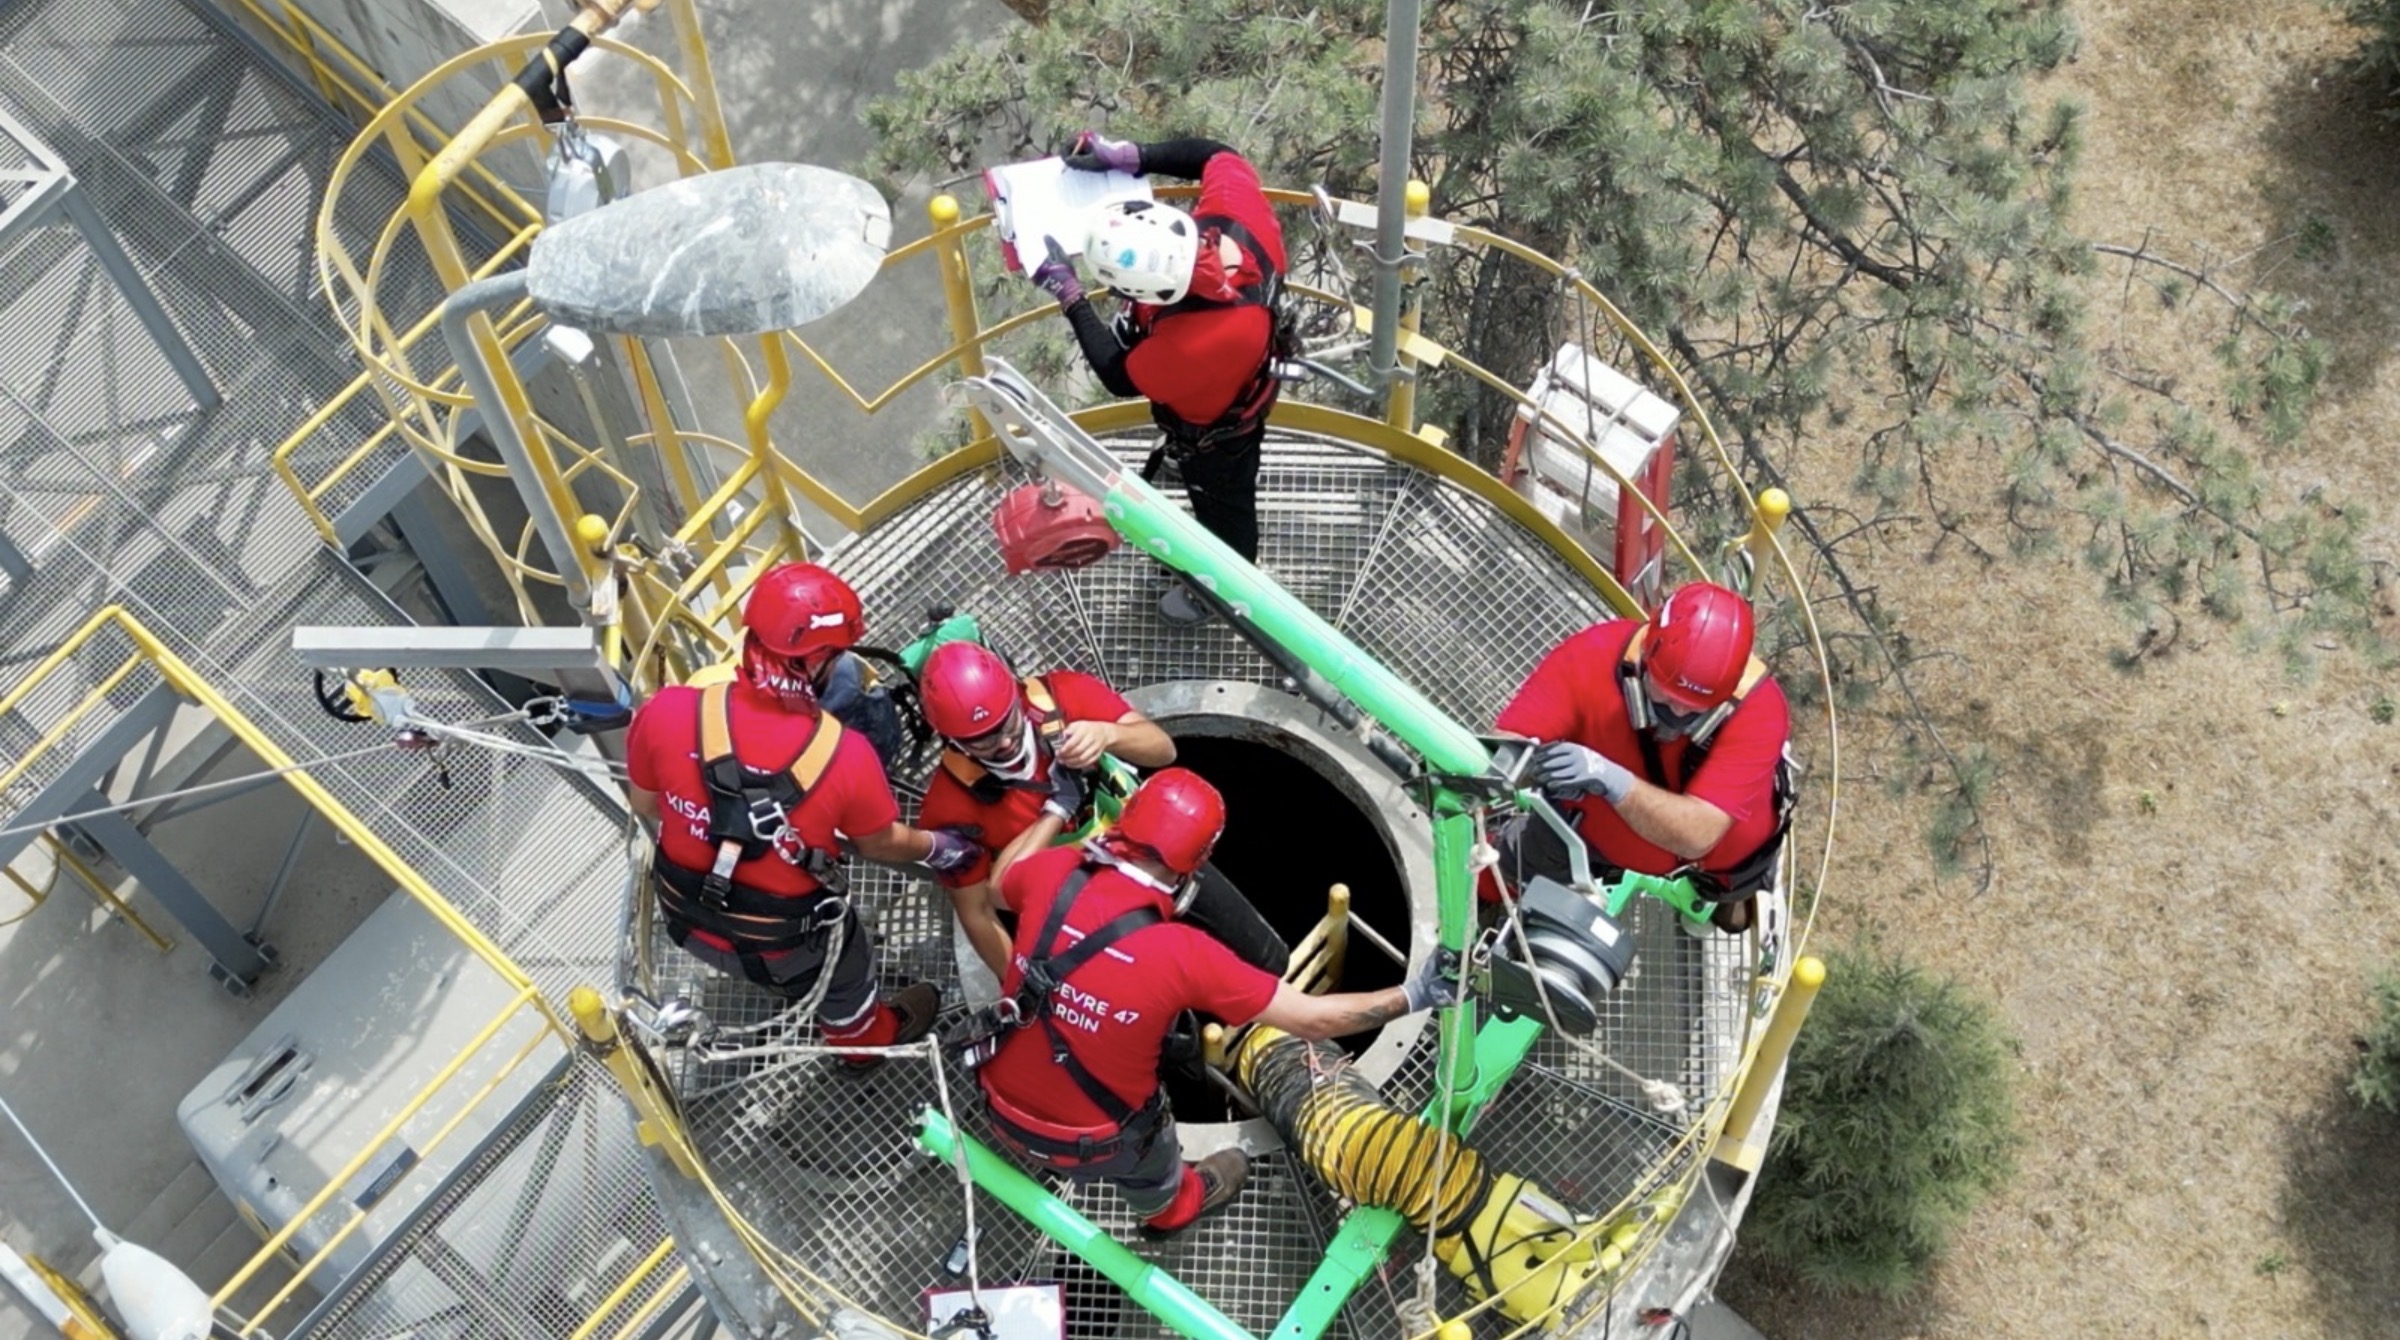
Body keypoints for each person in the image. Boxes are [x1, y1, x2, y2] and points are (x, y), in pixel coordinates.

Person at [960, 768, 1457, 1238]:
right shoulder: (1185, 955)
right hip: (1100, 1145)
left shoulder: (1056, 871)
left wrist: (1056, 808)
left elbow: (1002, 884)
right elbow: (1312, 1019)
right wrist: (1416, 993)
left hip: (995, 1102)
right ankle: (1173, 1212)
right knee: (1156, 1171)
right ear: (1197, 864)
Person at [624, 562, 982, 1067]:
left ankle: (790, 990)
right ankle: (862, 1046)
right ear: (816, 660)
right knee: (846, 983)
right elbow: (879, 844)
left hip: (688, 920)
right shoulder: (844, 755)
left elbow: (644, 805)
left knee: (759, 947)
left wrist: (703, 811)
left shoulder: (667, 710)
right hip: (791, 944)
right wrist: (942, 848)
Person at [1027, 132, 1288, 624]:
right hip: (1233, 384)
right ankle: (1186, 474)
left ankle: (1223, 588)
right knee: (1205, 457)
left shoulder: (1192, 346)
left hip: (1219, 436)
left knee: (1225, 510)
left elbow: (1118, 374)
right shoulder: (1235, 221)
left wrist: (1072, 297)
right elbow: (1218, 155)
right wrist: (1134, 156)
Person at [1494, 581, 1793, 931]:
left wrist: (1613, 780)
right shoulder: (1590, 658)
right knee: (1508, 866)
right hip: (1585, 835)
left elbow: (1698, 834)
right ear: (1646, 657)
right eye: (1666, 696)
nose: (1678, 715)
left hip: (1727, 854)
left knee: (1735, 898)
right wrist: (1537, 770)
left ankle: (1728, 905)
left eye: (1696, 708)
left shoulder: (1759, 710)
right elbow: (1504, 748)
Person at [913, 638, 1177, 981]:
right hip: (1084, 911)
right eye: (983, 739)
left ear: (1016, 695)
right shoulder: (949, 808)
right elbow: (978, 911)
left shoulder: (1067, 695)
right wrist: (1021, 986)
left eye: (1007, 723)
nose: (1004, 743)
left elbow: (1164, 751)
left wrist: (1109, 734)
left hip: (1153, 852)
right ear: (952, 740)